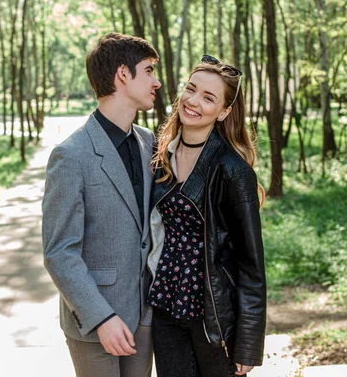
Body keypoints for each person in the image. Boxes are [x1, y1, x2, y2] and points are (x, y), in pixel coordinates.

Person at [42, 32, 161, 377]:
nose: (156, 81)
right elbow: (59, 252)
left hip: (143, 315)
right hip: (95, 321)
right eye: (149, 70)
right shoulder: (71, 155)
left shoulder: (148, 143)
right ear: (123, 75)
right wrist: (101, 317)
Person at [147, 55, 266, 377]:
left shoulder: (233, 171)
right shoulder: (161, 157)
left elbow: (250, 263)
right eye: (191, 89)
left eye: (208, 97)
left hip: (212, 314)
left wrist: (249, 343)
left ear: (224, 112)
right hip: (165, 303)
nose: (193, 101)